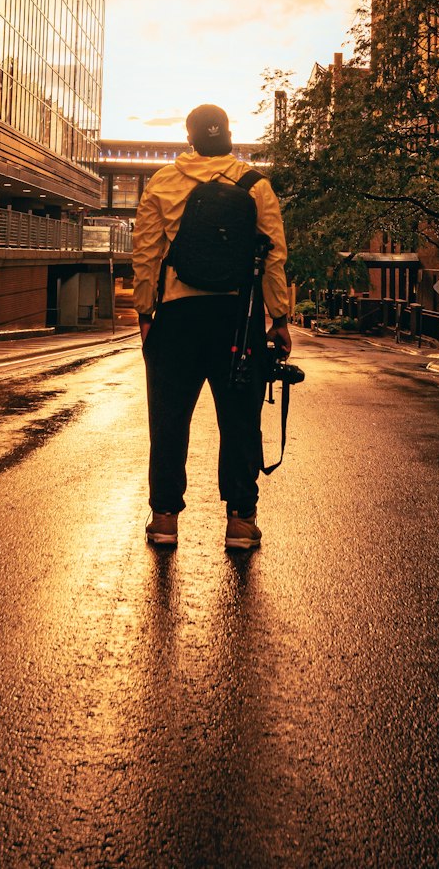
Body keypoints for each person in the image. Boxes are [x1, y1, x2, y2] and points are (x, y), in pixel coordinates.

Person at [132, 104, 291, 550]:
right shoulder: (256, 185)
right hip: (238, 321)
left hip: (178, 320)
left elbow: (145, 254)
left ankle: (164, 518)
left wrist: (146, 315)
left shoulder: (163, 183)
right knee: (240, 421)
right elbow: (274, 257)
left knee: (168, 422)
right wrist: (278, 319)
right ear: (229, 136)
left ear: (189, 138)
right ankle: (240, 521)